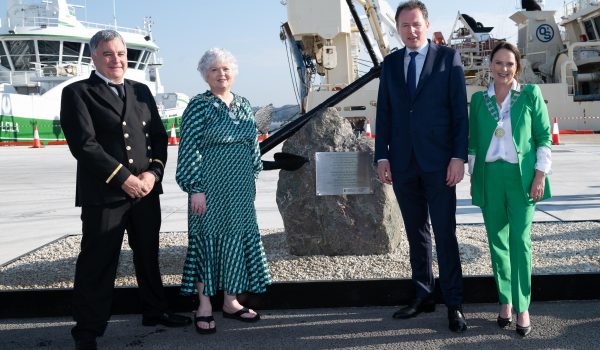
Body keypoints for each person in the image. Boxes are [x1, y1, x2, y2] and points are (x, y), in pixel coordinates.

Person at [60, 29, 191, 349]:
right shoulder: (78, 92)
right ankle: (87, 329)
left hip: (145, 191)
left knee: (148, 255)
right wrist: (123, 178)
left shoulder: (141, 90)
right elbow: (84, 145)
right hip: (105, 193)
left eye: (120, 53)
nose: (116, 59)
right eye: (107, 54)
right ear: (94, 57)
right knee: (98, 260)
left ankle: (155, 310)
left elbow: (159, 137)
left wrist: (152, 175)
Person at [374, 0, 469, 333]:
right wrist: (381, 156)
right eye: (404, 25)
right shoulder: (391, 63)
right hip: (402, 163)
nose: (411, 31)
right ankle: (423, 293)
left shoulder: (448, 59)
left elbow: (460, 112)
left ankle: (454, 303)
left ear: (426, 25)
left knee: (445, 233)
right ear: (397, 28)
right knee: (416, 233)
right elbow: (384, 113)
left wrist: (459, 157)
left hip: (441, 163)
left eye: (416, 24)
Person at [175, 48, 271, 335]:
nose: (221, 74)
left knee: (235, 242)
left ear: (234, 72)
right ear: (206, 75)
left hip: (240, 189)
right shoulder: (198, 105)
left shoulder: (243, 104)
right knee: (207, 242)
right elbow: (189, 148)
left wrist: (253, 176)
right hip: (209, 189)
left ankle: (230, 300)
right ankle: (204, 304)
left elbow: (253, 145)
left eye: (226, 68)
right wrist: (195, 189)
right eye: (215, 70)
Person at [468, 42, 551, 337]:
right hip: (490, 175)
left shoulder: (529, 95)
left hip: (522, 178)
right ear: (490, 65)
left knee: (520, 240)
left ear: (517, 67)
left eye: (510, 64)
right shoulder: (479, 100)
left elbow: (543, 137)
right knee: (497, 242)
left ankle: (523, 306)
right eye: (499, 63)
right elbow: (474, 144)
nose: (504, 69)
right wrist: (472, 175)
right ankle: (505, 300)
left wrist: (540, 175)